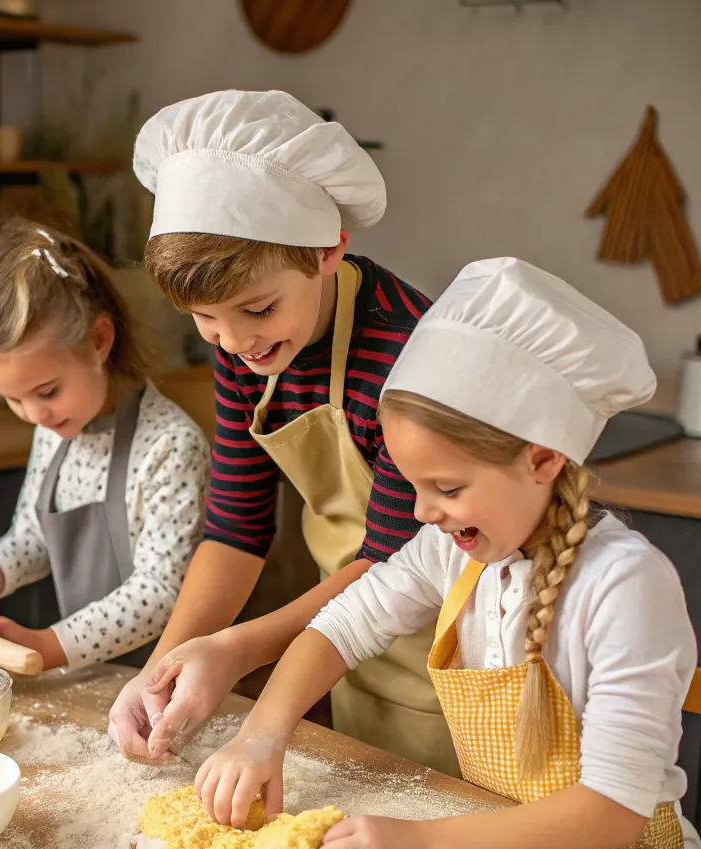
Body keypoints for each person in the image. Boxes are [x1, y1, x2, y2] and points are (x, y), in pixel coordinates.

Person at [191, 256, 701, 849]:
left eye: (448, 487)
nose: (422, 511)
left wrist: (427, 847)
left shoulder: (623, 586)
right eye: (411, 485)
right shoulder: (451, 550)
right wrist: (262, 734)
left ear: (541, 460)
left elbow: (614, 809)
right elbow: (342, 624)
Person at [108, 89, 459, 773]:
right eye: (205, 321)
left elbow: (389, 561)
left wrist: (236, 650)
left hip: (449, 659)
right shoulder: (246, 344)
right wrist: (161, 672)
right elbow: (236, 529)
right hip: (339, 649)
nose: (235, 343)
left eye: (257, 309)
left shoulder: (406, 354)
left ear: (328, 251)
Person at [0, 219, 210, 670]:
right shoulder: (54, 428)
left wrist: (52, 645)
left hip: (172, 679)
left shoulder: (170, 446)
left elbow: (162, 591)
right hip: (96, 677)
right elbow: (33, 537)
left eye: (46, 392)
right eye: (12, 398)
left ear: (99, 342)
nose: (34, 416)